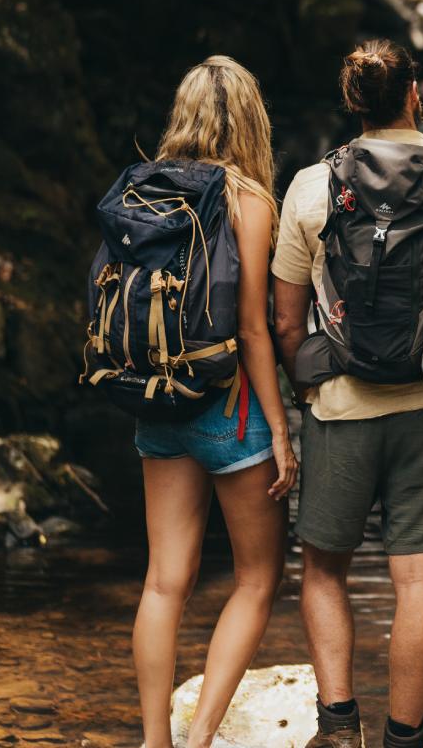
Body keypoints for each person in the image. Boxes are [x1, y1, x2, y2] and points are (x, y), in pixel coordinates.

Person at [272, 40, 423, 748]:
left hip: (340, 409)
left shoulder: (310, 187)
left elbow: (286, 320)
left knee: (323, 570)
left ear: (354, 102)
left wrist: (308, 394)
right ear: (416, 93)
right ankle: (405, 740)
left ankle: (338, 730)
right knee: (417, 584)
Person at [128, 57, 300, 748]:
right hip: (229, 410)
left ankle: (153, 742)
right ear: (251, 120)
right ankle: (199, 740)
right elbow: (254, 328)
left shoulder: (141, 191)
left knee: (165, 581)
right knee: (258, 577)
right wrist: (281, 430)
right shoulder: (249, 199)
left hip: (157, 399)